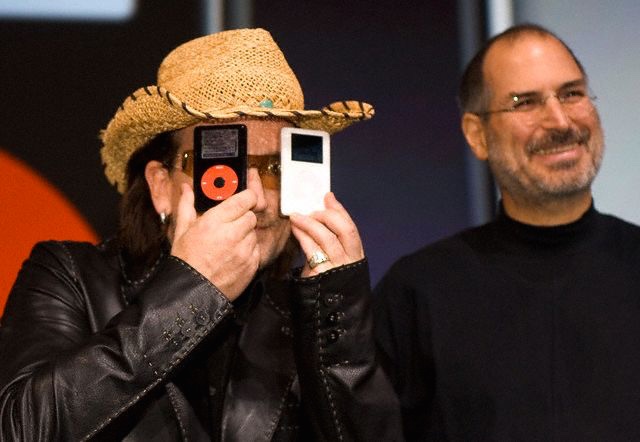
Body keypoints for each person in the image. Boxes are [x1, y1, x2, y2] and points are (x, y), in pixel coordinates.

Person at [0, 28, 402, 441]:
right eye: (222, 172)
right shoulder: (72, 276)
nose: (258, 199)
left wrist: (337, 321)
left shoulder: (310, 312)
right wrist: (192, 290)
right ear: (160, 186)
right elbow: (20, 429)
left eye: (275, 169)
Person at [374, 23, 640, 441]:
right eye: (525, 102)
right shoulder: (417, 294)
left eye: (571, 93)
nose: (559, 121)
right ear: (476, 135)